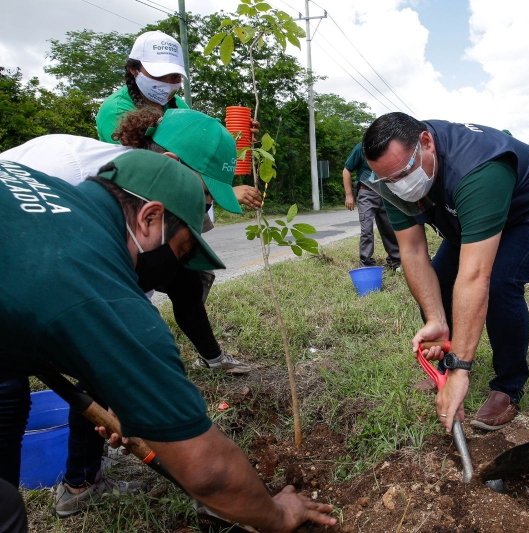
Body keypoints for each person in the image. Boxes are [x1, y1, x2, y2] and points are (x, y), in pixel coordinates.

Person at [0, 150, 337, 532]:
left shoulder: (41, 185)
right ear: (149, 218)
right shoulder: (107, 298)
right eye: (181, 251)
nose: (175, 270)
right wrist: (279, 514)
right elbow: (208, 472)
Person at [0, 108, 254, 517]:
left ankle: (80, 481)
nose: (205, 209)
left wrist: (121, 388)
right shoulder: (62, 166)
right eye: (205, 194)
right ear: (171, 164)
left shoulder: (134, 208)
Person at [361, 112, 529, 432]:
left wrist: (462, 369)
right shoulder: (391, 173)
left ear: (426, 142)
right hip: (472, 217)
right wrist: (436, 318)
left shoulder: (478, 169)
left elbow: (475, 277)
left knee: (500, 282)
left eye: (404, 174)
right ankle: (445, 369)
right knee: (439, 281)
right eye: (390, 181)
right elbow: (413, 251)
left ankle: (508, 387)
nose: (399, 186)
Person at [95, 29, 262, 210]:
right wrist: (221, 193)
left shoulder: (177, 104)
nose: (167, 83)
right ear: (133, 70)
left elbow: (194, 154)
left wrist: (230, 139)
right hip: (137, 204)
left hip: (182, 202)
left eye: (174, 76)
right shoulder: (116, 110)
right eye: (159, 76)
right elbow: (147, 174)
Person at [342, 141, 401, 270]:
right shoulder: (361, 148)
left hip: (386, 193)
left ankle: (395, 261)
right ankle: (366, 264)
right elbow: (347, 170)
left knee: (389, 228)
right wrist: (349, 195)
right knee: (367, 230)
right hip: (366, 193)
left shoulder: (387, 146)